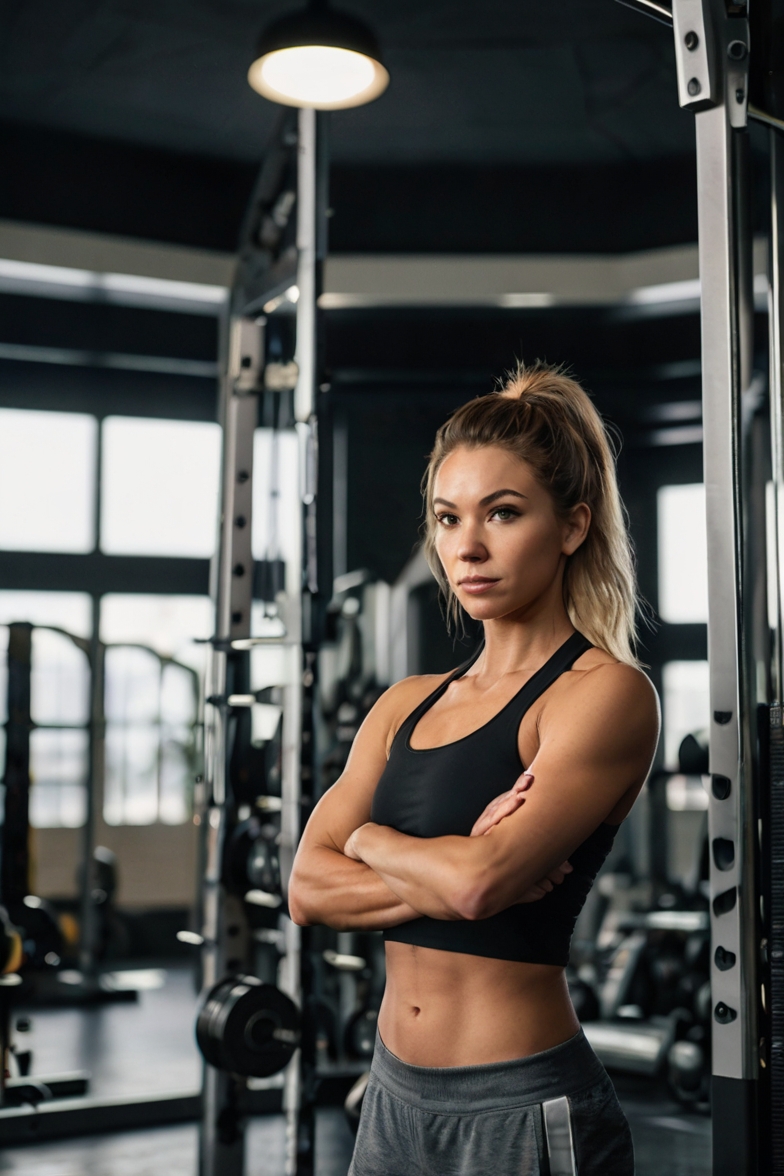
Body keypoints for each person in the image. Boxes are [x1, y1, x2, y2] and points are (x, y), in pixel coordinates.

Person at [289, 362, 660, 1176]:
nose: (468, 546)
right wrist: (451, 864)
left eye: (504, 513)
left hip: (521, 1106)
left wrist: (370, 840)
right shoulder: (405, 704)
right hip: (389, 1100)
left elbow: (476, 887)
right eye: (449, 518)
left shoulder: (603, 693)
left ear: (571, 527)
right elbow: (306, 891)